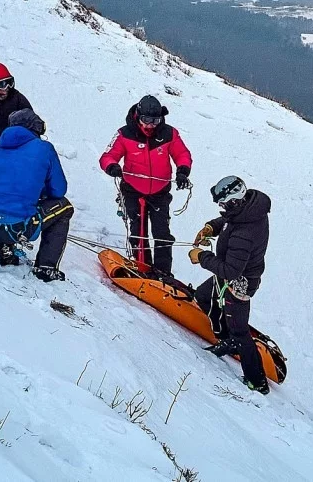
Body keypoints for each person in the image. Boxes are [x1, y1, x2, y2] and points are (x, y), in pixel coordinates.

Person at [189, 175, 271, 395]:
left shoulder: (245, 234)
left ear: (235, 201)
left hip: (239, 283)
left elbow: (231, 270)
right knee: (203, 296)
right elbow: (229, 222)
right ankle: (227, 338)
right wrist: (211, 227)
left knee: (241, 331)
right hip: (229, 276)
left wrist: (201, 257)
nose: (222, 208)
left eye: (224, 204)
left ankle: (257, 382)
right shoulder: (248, 209)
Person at [0, 109, 74, 282]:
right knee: (65, 207)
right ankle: (46, 268)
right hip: (17, 227)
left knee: (5, 205)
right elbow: (58, 190)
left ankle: (4, 248)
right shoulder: (44, 148)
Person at [99, 95, 192, 277]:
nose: (150, 125)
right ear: (138, 116)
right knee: (138, 232)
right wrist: (112, 166)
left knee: (162, 233)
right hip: (133, 190)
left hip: (160, 192)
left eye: (155, 121)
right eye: (146, 120)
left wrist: (182, 170)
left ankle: (163, 273)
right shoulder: (124, 134)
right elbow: (107, 156)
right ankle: (142, 267)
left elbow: (182, 154)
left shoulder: (169, 133)